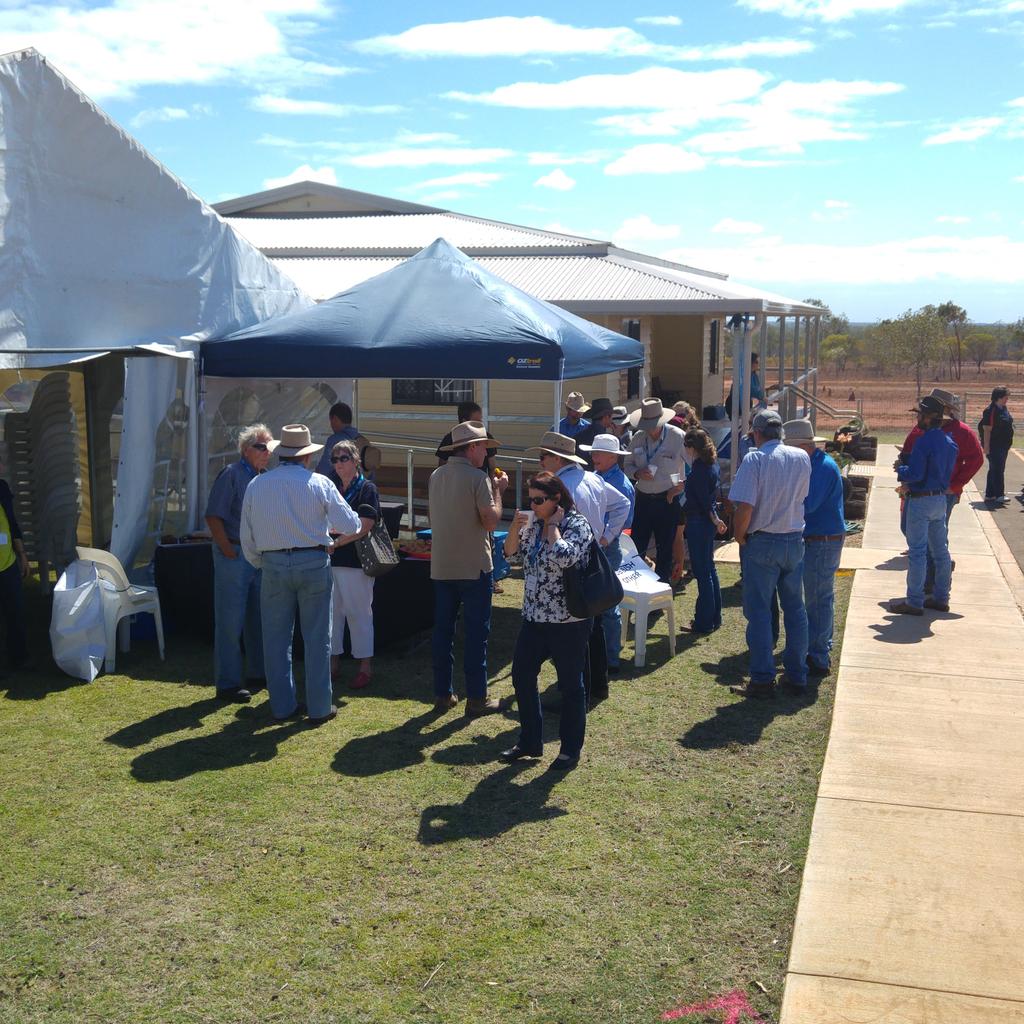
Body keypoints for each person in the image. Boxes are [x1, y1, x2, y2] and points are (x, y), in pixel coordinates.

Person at [241, 424, 374, 725]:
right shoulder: (320, 483)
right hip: (313, 561)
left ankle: (282, 706)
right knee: (317, 639)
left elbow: (247, 537)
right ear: (307, 457)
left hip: (273, 564)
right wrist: (323, 529)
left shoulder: (257, 485)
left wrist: (263, 562)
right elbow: (352, 525)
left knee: (275, 641)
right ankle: (319, 706)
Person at [526, 431, 630, 705]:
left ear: (556, 459)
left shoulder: (563, 488)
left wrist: (605, 536)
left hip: (570, 563)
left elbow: (621, 504)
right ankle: (598, 684)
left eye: (543, 456)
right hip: (591, 557)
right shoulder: (592, 478)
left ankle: (578, 693)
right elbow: (623, 504)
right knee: (591, 625)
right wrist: (606, 537)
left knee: (577, 631)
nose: (540, 462)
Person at [502, 472, 594, 771]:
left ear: (557, 500)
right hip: (534, 617)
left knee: (571, 686)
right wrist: (515, 530)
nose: (534, 505)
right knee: (521, 676)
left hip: (567, 621)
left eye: (539, 500)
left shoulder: (576, 525)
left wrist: (553, 528)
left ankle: (570, 749)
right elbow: (513, 559)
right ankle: (530, 740)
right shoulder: (532, 524)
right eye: (531, 500)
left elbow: (567, 558)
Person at [729, 409, 811, 699]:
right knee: (795, 609)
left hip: (763, 541)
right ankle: (797, 674)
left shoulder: (755, 459)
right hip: (793, 538)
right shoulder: (801, 457)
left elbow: (745, 507)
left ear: (756, 433)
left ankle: (762, 679)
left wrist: (739, 537)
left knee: (760, 612)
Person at [428, 421, 507, 716]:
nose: (487, 452)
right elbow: (490, 521)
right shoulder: (478, 478)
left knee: (443, 633)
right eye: (484, 446)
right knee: (476, 634)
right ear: (472, 448)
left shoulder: (437, 475)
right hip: (474, 567)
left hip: (443, 565)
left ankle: (442, 693)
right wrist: (499, 491)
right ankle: (477, 698)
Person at [204, 423, 273, 702]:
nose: (267, 452)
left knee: (258, 618)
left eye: (269, 447)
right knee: (230, 621)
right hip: (235, 553)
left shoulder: (263, 476)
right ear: (246, 450)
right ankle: (228, 683)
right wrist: (226, 549)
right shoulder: (231, 474)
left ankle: (257, 672)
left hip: (256, 556)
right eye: (261, 446)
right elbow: (213, 515)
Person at [898, 388, 983, 592]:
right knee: (914, 532)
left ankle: (930, 582)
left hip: (943, 493)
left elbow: (976, 460)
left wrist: (955, 485)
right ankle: (938, 581)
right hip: (919, 490)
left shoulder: (962, 432)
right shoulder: (921, 431)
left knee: (931, 542)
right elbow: (908, 451)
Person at [783, 419, 845, 676]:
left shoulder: (821, 468)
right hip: (819, 538)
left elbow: (807, 505)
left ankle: (818, 655)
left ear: (802, 446)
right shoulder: (816, 464)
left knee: (818, 598)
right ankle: (817, 648)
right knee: (819, 596)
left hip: (821, 540)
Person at [891, 397, 958, 616]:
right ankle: (941, 597)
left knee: (918, 552)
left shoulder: (923, 441)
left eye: (920, 415)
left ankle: (914, 601)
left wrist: (901, 468)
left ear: (928, 418)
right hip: (940, 498)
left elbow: (916, 475)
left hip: (921, 499)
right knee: (941, 551)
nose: (918, 418)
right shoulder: (949, 442)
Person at [578, 433, 635, 673]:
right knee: (599, 601)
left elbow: (625, 518)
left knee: (606, 603)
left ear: (613, 456)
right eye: (593, 452)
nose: (593, 456)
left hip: (607, 548)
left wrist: (606, 537)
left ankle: (611, 657)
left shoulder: (620, 484)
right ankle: (603, 654)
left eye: (598, 453)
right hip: (602, 545)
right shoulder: (600, 477)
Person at [327, 440, 380, 690]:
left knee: (359, 614)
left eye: (343, 458)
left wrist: (336, 542)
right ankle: (332, 664)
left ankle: (365, 667)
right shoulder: (330, 485)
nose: (338, 463)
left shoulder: (366, 488)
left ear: (356, 460)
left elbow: (365, 524)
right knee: (332, 614)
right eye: (334, 459)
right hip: (330, 561)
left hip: (356, 562)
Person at [627, 398, 686, 583]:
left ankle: (660, 594)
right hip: (643, 500)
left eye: (654, 424)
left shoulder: (678, 437)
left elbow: (695, 466)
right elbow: (626, 465)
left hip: (667, 500)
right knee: (637, 548)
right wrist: (637, 473)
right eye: (647, 424)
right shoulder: (637, 438)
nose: (651, 429)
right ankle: (637, 588)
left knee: (665, 549)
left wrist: (681, 487)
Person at [679, 430, 726, 635]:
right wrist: (715, 520)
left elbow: (704, 502)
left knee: (702, 573)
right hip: (705, 523)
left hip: (699, 522)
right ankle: (714, 617)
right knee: (709, 570)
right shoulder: (711, 465)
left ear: (691, 448)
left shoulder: (698, 470)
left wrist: (715, 520)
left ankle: (704, 621)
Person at [0, 476, 30, 673]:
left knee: (16, 614)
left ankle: (19, 659)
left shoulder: (2, 487)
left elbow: (11, 522)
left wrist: (22, 555)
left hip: (7, 564)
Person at [436, 401, 498, 470]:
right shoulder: (450, 439)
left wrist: (491, 480)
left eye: (480, 420)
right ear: (464, 421)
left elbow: (492, 466)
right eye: (476, 421)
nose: (480, 423)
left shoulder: (485, 437)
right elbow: (442, 465)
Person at [980, 386, 1013, 505]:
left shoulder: (1003, 408)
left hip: (1003, 446)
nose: (1007, 399)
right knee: (998, 469)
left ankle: (990, 494)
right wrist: (986, 447)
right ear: (998, 397)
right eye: (1005, 397)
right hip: (994, 446)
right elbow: (987, 430)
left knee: (994, 469)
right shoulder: (990, 411)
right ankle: (999, 494)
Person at [316, 402, 360, 477]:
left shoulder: (334, 440)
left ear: (335, 419)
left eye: (331, 420)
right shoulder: (361, 439)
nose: (331, 425)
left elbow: (323, 470)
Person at [572, 398, 615, 466]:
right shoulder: (606, 439)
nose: (612, 420)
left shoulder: (578, 436)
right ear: (606, 417)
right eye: (611, 417)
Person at [725, 353, 766, 417]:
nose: (758, 364)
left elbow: (757, 388)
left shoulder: (754, 375)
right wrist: (762, 397)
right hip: (734, 403)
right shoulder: (743, 374)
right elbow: (751, 390)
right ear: (750, 362)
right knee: (740, 423)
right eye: (756, 362)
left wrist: (762, 396)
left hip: (745, 403)